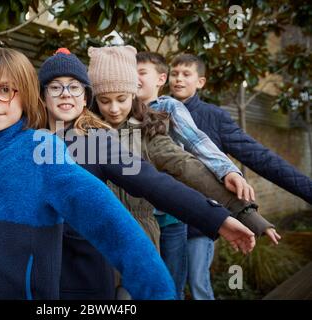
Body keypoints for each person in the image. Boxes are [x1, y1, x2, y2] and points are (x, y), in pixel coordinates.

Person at [0, 47, 180, 300]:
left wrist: (154, 286)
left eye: (5, 90)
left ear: (26, 95)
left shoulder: (44, 150)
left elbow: (105, 218)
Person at [37, 48, 257, 299]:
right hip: (34, 274)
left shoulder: (97, 144)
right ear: (43, 95)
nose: (66, 94)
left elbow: (154, 183)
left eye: (74, 87)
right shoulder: (27, 143)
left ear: (86, 97)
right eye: (55, 87)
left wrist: (218, 218)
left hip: (83, 277)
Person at [87, 45, 279, 299]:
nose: (113, 109)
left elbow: (188, 166)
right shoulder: (82, 133)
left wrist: (247, 213)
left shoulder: (149, 132)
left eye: (121, 99)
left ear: (134, 96)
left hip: (139, 241)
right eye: (104, 100)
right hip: (93, 242)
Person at [167, 53, 310, 299]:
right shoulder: (153, 114)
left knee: (199, 284)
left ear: (200, 82)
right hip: (161, 218)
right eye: (174, 73)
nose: (178, 79)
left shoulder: (214, 117)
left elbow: (262, 159)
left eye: (186, 74)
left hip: (201, 219)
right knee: (167, 287)